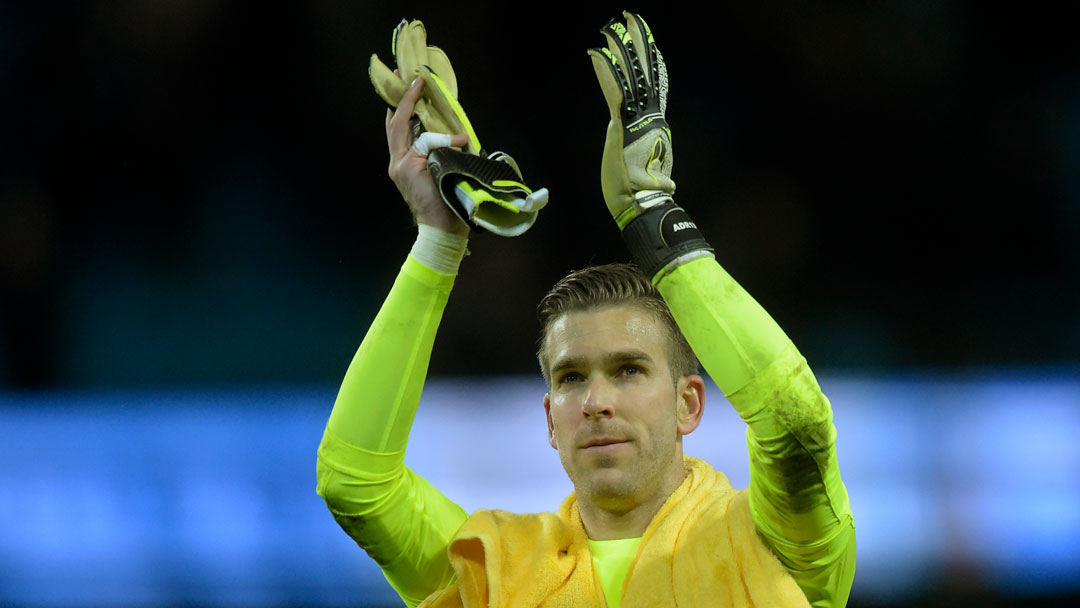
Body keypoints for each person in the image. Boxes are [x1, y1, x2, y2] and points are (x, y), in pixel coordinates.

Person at [317, 12, 855, 608]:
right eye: (573, 377)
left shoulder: (771, 537)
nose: (597, 401)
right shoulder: (495, 569)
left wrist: (653, 217)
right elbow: (354, 482)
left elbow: (797, 423)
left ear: (689, 402)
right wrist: (438, 242)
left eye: (629, 369)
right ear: (551, 419)